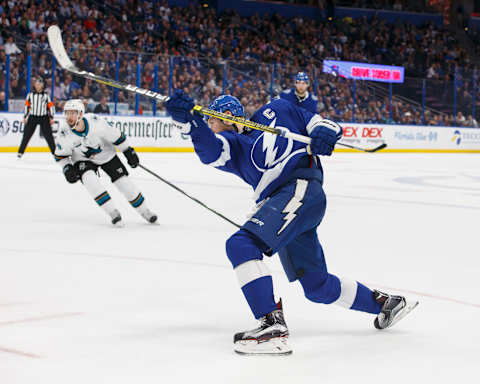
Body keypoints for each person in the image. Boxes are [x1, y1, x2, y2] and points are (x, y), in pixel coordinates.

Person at [166, 90, 418, 356]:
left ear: (226, 115)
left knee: (241, 245)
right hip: (289, 203)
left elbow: (323, 123)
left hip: (299, 190)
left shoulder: (278, 109)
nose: (210, 127)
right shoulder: (234, 145)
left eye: (211, 121)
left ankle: (271, 327)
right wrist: (190, 123)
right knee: (316, 285)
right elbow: (210, 151)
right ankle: (387, 304)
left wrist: (324, 134)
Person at [55, 99, 158, 226]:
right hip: (83, 160)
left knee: (125, 184)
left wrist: (128, 151)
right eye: (67, 113)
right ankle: (112, 212)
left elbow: (115, 135)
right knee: (90, 181)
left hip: (107, 155)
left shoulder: (95, 122)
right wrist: (67, 168)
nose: (69, 117)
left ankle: (145, 211)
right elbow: (60, 156)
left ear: (81, 114)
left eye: (72, 113)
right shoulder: (64, 133)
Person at [18, 77, 56, 158]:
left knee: (49, 136)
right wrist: (25, 116)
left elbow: (51, 106)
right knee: (26, 135)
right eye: (37, 84)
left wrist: (52, 117)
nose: (38, 86)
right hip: (33, 117)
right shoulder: (30, 95)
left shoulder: (46, 95)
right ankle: (20, 152)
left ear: (42, 86)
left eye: (39, 84)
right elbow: (26, 106)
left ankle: (54, 152)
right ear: (34, 85)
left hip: (44, 117)